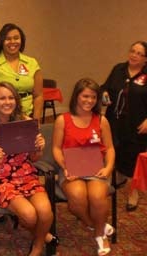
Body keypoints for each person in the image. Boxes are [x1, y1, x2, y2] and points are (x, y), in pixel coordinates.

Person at [0, 82, 56, 256]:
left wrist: (39, 148)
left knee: (45, 213)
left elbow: (35, 158)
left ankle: (37, 246)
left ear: (16, 100)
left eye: (11, 97)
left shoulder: (27, 122)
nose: (7, 102)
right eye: (2, 98)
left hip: (27, 174)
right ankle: (43, 236)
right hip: (2, 179)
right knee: (29, 215)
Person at [52, 78, 115, 256]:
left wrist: (108, 168)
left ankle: (99, 235)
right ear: (76, 96)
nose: (89, 101)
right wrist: (64, 167)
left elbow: (109, 148)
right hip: (70, 166)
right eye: (85, 96)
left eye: (93, 97)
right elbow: (56, 148)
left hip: (96, 167)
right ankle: (97, 225)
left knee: (97, 197)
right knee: (78, 199)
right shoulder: (62, 120)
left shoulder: (101, 120)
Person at [101, 41, 147, 211]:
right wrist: (104, 93)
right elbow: (105, 87)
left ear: (145, 59)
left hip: (137, 124)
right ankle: (114, 179)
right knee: (112, 150)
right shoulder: (118, 69)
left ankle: (133, 193)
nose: (134, 55)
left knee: (134, 158)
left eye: (139, 54)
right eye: (132, 51)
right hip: (114, 121)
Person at [0, 23, 44, 126]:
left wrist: (36, 121)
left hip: (26, 117)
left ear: (21, 40)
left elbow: (38, 96)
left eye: (16, 38)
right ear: (1, 41)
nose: (12, 42)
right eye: (8, 39)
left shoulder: (32, 63)